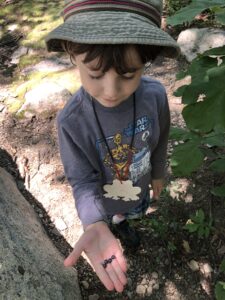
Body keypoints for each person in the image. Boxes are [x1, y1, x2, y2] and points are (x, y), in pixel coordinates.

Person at [45, 0, 180, 293]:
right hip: (103, 199)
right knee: (111, 216)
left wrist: (158, 171)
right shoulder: (72, 121)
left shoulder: (155, 96)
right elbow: (81, 179)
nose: (110, 90)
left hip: (139, 185)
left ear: (147, 58)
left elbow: (162, 135)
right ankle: (113, 224)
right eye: (94, 74)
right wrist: (94, 224)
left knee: (132, 210)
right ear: (71, 52)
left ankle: (125, 223)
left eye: (128, 74)